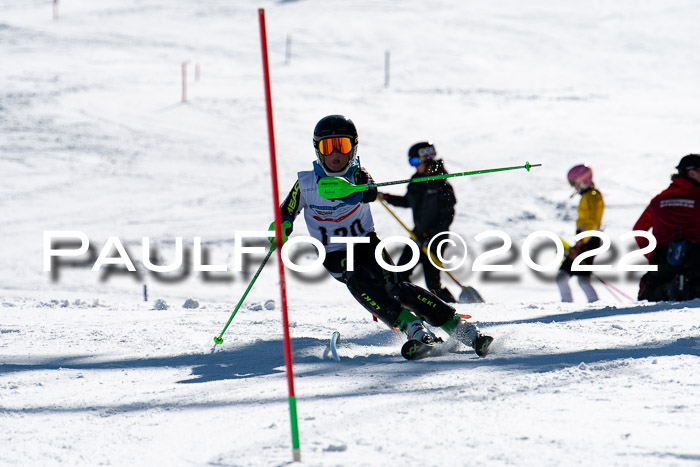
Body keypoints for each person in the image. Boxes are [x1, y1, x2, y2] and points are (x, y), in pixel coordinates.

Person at [269, 115, 492, 357]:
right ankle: (413, 328)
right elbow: (286, 212)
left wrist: (357, 191)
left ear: (353, 148)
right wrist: (281, 226)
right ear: (318, 150)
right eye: (327, 146)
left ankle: (462, 329)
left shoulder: (358, 176)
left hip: (369, 245)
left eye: (341, 145)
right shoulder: (305, 184)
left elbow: (368, 192)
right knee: (356, 279)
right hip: (335, 252)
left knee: (398, 288)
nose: (335, 154)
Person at [378, 141, 458, 303]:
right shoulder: (416, 181)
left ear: (427, 159)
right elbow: (408, 201)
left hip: (435, 240)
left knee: (433, 284)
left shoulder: (442, 185)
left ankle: (451, 308)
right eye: (412, 162)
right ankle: (411, 305)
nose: (414, 166)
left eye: (415, 162)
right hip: (418, 236)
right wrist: (385, 197)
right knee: (399, 275)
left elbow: (446, 216)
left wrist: (430, 235)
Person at [633, 154, 700, 301]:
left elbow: (639, 231)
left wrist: (653, 255)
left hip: (662, 268)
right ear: (692, 172)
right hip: (695, 268)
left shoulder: (659, 200)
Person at [556, 164, 605, 303]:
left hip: (590, 240)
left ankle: (594, 307)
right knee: (566, 277)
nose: (572, 186)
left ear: (583, 179)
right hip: (585, 239)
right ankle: (567, 305)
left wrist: (580, 243)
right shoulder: (587, 196)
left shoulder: (594, 197)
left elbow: (592, 221)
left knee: (579, 279)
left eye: (573, 182)